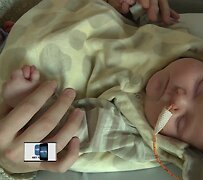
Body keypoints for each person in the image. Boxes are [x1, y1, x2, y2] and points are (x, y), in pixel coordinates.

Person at [0, 0, 181, 177]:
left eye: (182, 123)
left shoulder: (135, 136)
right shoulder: (174, 41)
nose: (179, 98)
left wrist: (20, 159)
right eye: (201, 85)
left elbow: (64, 143)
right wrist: (126, 11)